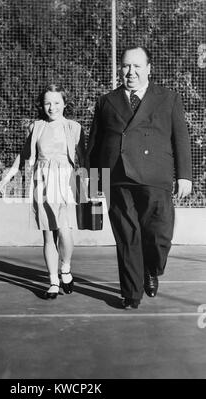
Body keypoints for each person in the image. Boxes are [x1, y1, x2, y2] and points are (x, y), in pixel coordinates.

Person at [86, 45, 192, 309]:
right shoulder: (106, 101)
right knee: (127, 236)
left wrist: (185, 176)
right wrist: (92, 182)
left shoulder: (168, 98)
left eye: (136, 66)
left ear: (148, 68)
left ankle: (151, 269)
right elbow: (94, 145)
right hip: (117, 177)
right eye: (125, 66)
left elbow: (180, 138)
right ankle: (131, 292)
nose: (130, 72)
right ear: (120, 69)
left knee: (159, 235)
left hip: (155, 176)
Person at [0, 84, 86, 299]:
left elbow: (84, 159)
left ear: (65, 104)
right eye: (48, 102)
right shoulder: (36, 126)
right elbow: (23, 155)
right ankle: (53, 282)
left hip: (66, 182)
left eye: (57, 102)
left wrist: (91, 187)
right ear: (42, 105)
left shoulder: (74, 128)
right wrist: (7, 178)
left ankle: (65, 268)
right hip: (42, 182)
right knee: (49, 236)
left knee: (65, 232)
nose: (52, 107)